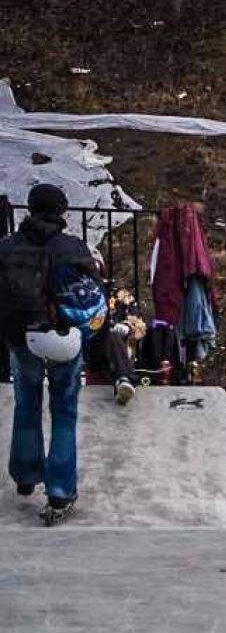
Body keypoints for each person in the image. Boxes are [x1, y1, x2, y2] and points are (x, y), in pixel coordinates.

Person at [1, 184, 102, 523]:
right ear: (61, 211)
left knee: (26, 405)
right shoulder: (71, 246)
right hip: (63, 338)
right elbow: (92, 292)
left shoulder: (7, 246)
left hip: (20, 337)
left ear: (30, 208)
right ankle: (59, 491)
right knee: (64, 410)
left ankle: (27, 474)